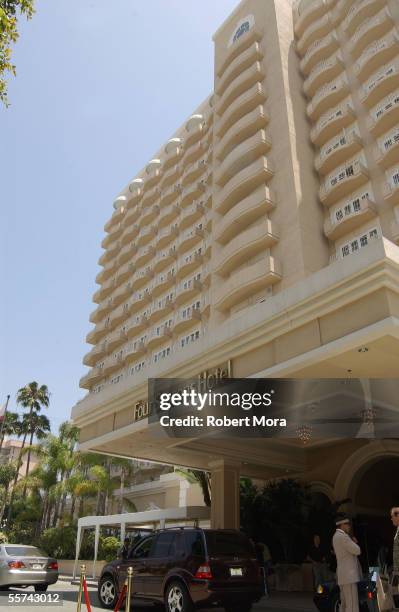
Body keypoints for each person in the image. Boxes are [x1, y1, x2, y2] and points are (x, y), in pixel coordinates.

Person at [332, 514, 361, 612]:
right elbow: (357, 550)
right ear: (342, 525)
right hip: (349, 576)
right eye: (347, 524)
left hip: (343, 576)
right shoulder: (343, 537)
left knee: (344, 605)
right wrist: (354, 542)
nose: (349, 526)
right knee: (352, 605)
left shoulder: (335, 536)